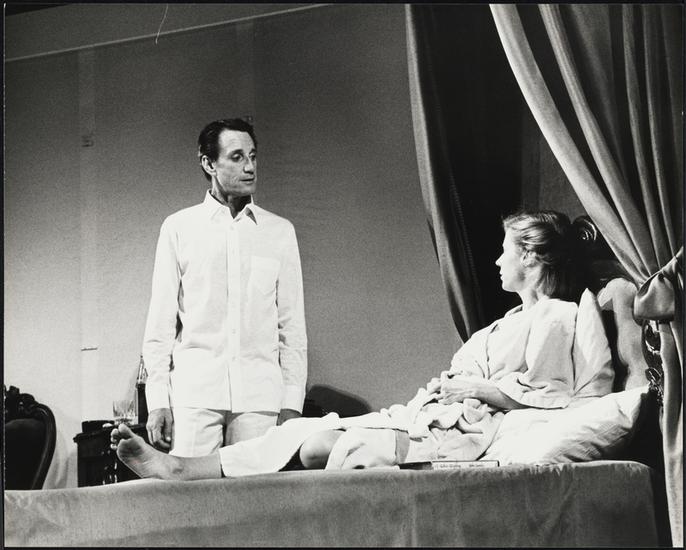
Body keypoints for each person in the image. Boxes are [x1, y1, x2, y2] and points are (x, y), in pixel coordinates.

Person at [114, 210, 612, 479]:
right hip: (432, 415)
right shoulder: (505, 323)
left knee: (327, 447)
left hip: (462, 433)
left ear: (530, 257)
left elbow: (550, 395)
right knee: (304, 433)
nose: (497, 263)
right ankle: (178, 467)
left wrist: (475, 390)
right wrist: (455, 388)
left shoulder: (558, 316)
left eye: (505, 252)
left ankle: (183, 470)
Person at [142, 118, 307, 457]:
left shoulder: (279, 232)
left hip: (260, 400)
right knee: (188, 489)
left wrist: (292, 404)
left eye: (253, 156)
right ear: (209, 163)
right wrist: (157, 401)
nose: (250, 167)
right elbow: (160, 324)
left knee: (257, 491)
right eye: (237, 157)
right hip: (194, 396)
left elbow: (292, 328)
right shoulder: (179, 229)